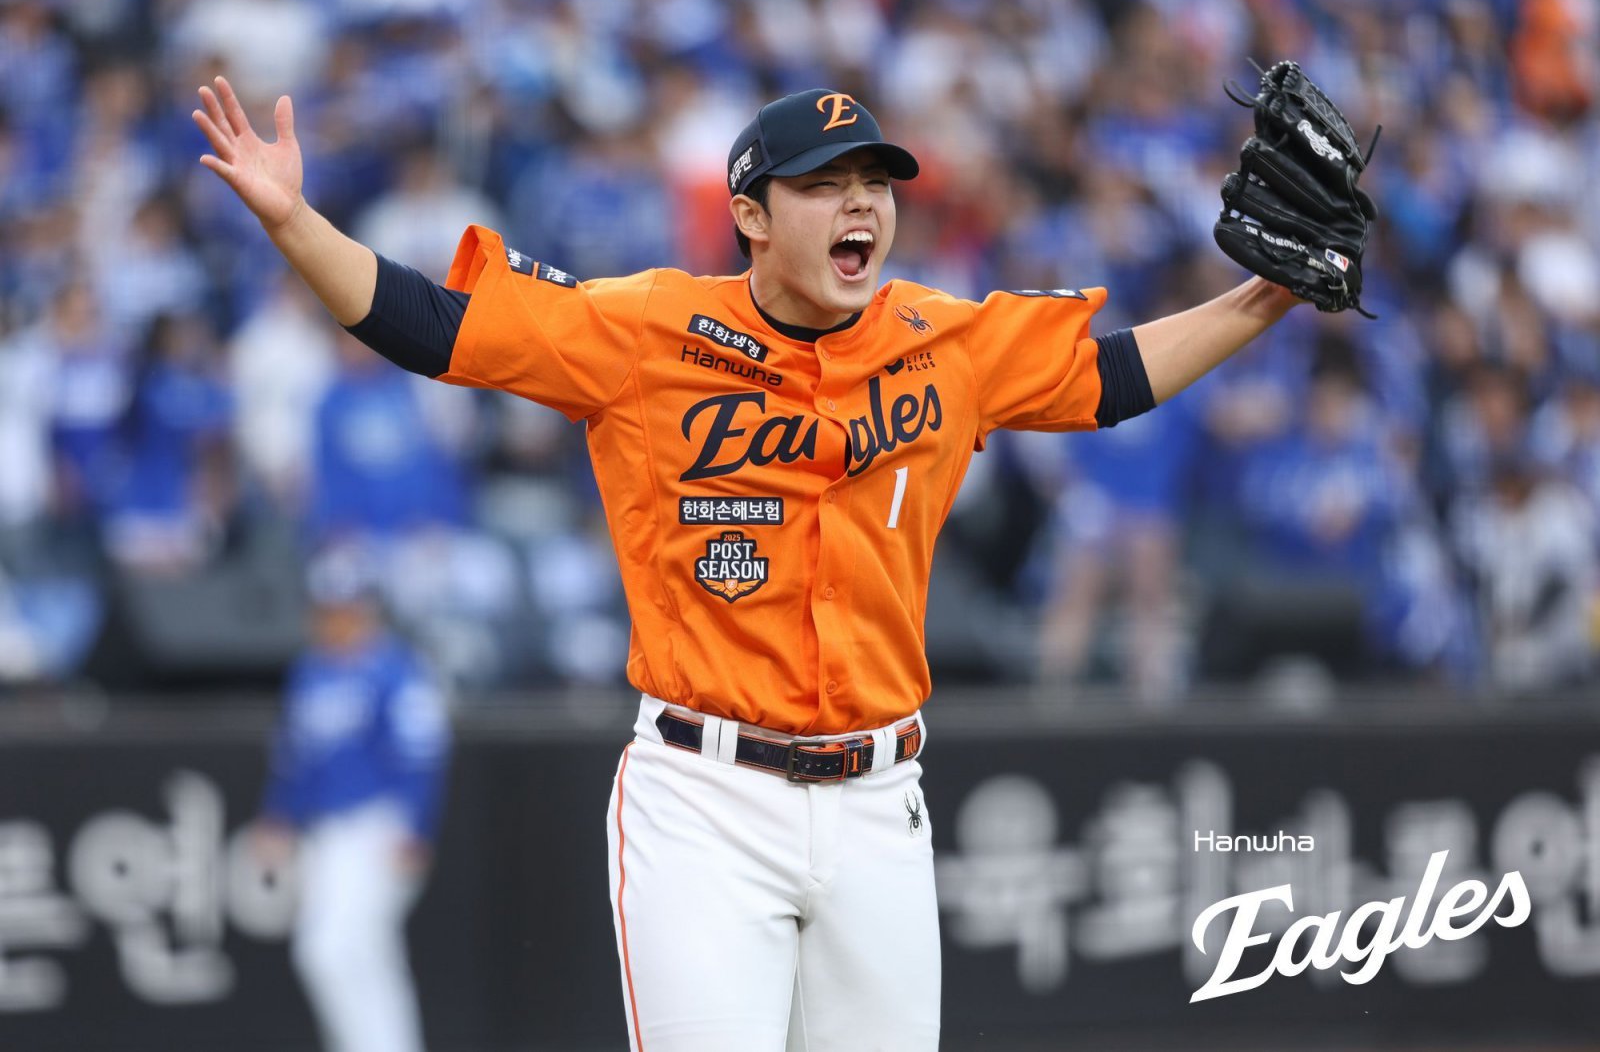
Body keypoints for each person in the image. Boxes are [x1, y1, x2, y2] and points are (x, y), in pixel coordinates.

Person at [195, 75, 1313, 1051]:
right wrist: (295, 221)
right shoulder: (647, 331)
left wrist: (1264, 297)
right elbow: (432, 327)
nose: (861, 204)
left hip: (881, 798)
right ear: (750, 215)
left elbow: (1110, 378)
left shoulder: (941, 340)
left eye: (875, 183)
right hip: (707, 798)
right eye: (825, 185)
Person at [252, 546, 450, 1052]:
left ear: (368, 608)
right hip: (326, 835)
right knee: (368, 956)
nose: (335, 619)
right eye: (326, 608)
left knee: (330, 951)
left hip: (379, 826)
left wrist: (416, 829)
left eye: (346, 607)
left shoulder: (396, 669)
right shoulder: (310, 672)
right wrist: (278, 816)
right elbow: (295, 757)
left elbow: (422, 754)